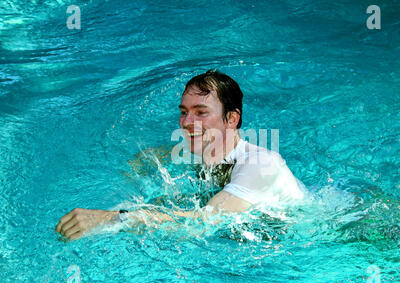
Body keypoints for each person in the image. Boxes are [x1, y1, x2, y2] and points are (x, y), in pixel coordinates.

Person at [56, 70, 309, 240]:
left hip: (319, 236)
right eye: (184, 111)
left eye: (201, 112)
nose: (187, 122)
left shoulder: (261, 164)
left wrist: (111, 219)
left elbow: (202, 223)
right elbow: (142, 162)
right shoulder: (201, 151)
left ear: (231, 119)